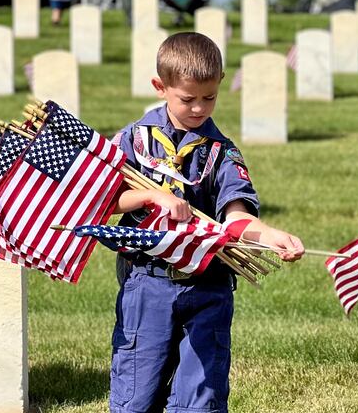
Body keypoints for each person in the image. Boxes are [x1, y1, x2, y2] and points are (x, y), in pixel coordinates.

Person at [109, 32, 305, 413]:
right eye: (188, 99)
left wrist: (268, 235)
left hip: (208, 286)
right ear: (160, 87)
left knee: (201, 398)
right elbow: (105, 203)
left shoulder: (222, 151)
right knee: (136, 394)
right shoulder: (132, 142)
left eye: (209, 97)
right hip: (148, 284)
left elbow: (236, 215)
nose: (199, 109)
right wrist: (151, 196)